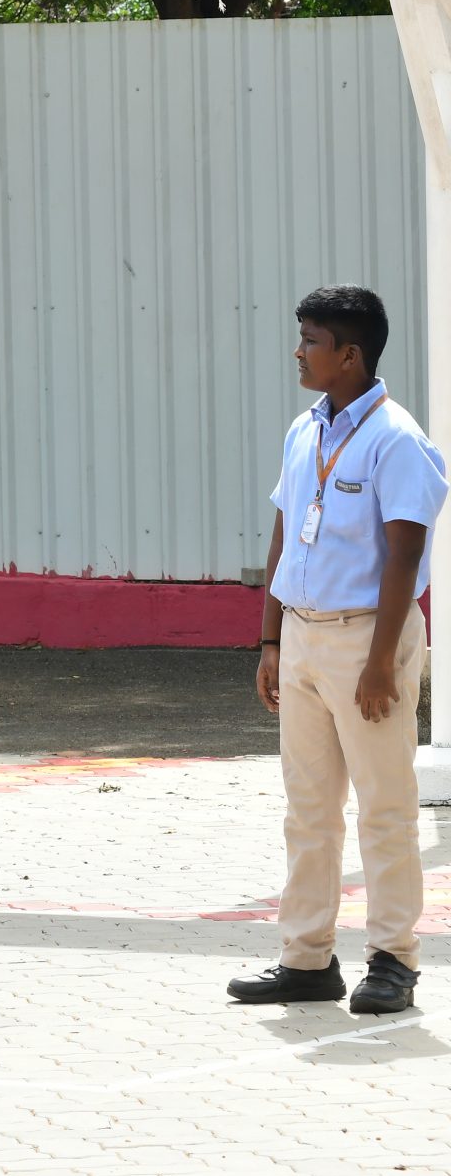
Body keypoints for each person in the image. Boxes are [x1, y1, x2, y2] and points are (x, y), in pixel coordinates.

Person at [229, 286, 446, 1016]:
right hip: (302, 636)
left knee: (384, 805)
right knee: (308, 806)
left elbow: (404, 557)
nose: (298, 351)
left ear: (349, 355)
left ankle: (392, 958)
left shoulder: (396, 438)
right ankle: (307, 956)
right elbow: (285, 533)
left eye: (311, 339)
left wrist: (383, 660)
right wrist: (269, 637)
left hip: (366, 639)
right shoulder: (303, 430)